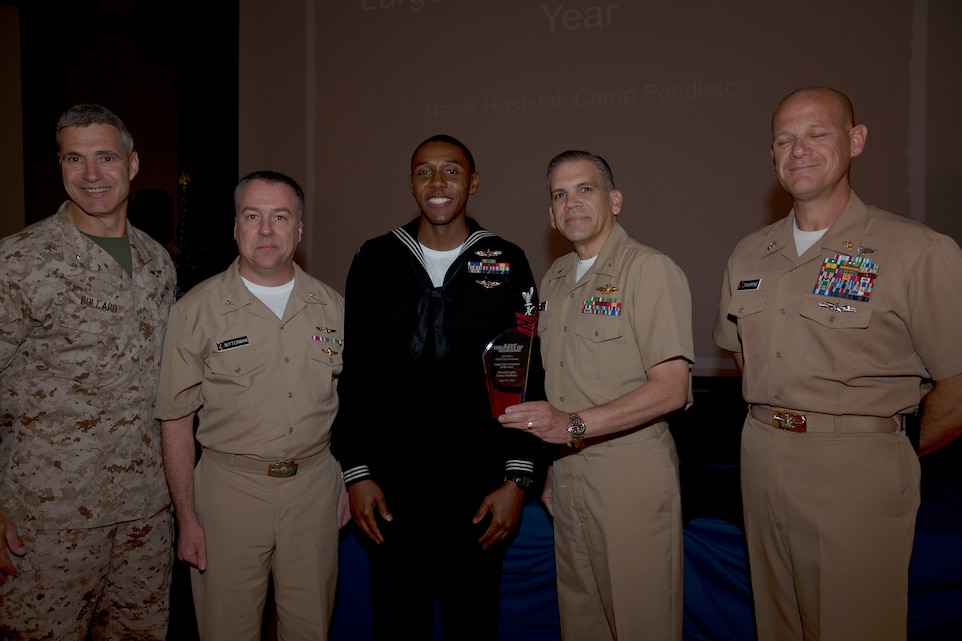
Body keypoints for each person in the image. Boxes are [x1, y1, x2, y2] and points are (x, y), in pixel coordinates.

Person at [712, 86, 962, 641]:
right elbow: (741, 353)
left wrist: (882, 447)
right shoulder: (750, 253)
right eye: (784, 139)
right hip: (761, 456)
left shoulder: (916, 250)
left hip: (858, 468)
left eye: (816, 133)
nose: (798, 149)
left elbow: (959, 383)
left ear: (856, 141)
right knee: (776, 625)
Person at [330, 134, 543, 640]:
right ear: (410, 184)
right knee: (398, 623)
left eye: (452, 171)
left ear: (473, 182)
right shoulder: (375, 258)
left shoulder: (507, 261)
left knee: (472, 623)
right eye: (425, 171)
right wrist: (357, 473)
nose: (438, 182)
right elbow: (354, 372)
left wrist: (517, 479)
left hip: (479, 489)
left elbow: (527, 375)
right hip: (392, 489)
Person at [499, 150, 693, 641]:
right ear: (550, 214)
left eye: (585, 189)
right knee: (582, 624)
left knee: (641, 624)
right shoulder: (556, 278)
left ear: (615, 200)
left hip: (630, 476)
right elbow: (559, 381)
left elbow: (672, 389)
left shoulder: (648, 269)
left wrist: (574, 426)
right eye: (559, 195)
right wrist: (552, 462)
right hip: (567, 476)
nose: (572, 203)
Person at [0, 103, 177, 640]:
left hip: (146, 514)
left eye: (105, 157)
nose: (92, 174)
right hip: (50, 520)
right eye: (74, 159)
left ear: (133, 163)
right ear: (59, 165)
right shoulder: (20, 261)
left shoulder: (156, 262)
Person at [155, 170, 347, 641]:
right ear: (235, 227)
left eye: (279, 217)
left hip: (314, 489)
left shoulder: (335, 308)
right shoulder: (195, 311)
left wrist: (347, 479)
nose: (266, 230)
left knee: (310, 630)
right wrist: (187, 517)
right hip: (229, 494)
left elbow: (351, 404)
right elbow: (176, 420)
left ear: (299, 229)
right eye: (252, 216)